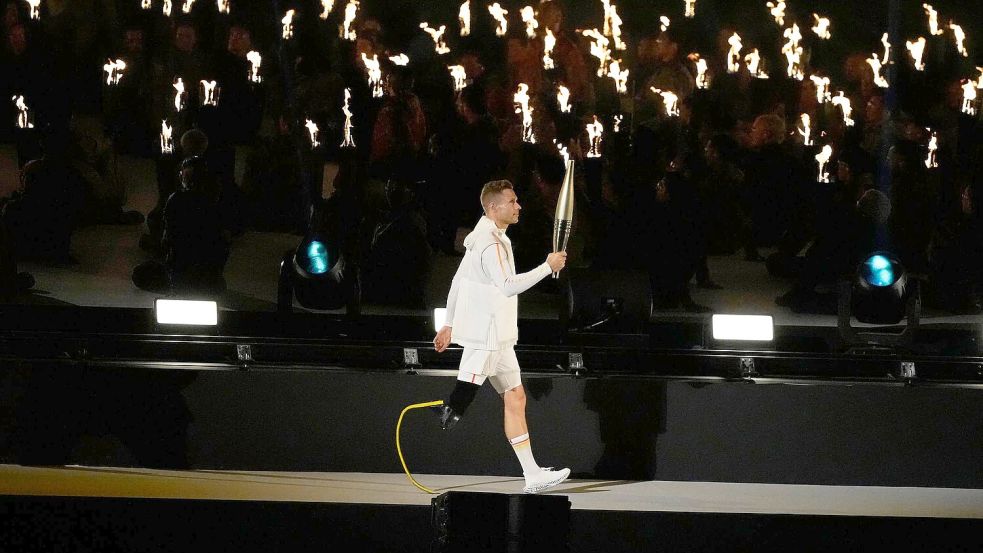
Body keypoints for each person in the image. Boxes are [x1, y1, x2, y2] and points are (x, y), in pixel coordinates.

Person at [431, 179, 570, 494]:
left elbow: (457, 282)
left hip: (500, 334)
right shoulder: (490, 243)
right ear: (493, 208)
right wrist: (547, 267)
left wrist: (449, 323)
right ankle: (450, 409)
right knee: (465, 394)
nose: (518, 206)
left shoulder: (484, 236)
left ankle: (532, 473)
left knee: (516, 397)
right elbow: (508, 285)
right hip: (488, 332)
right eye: (512, 201)